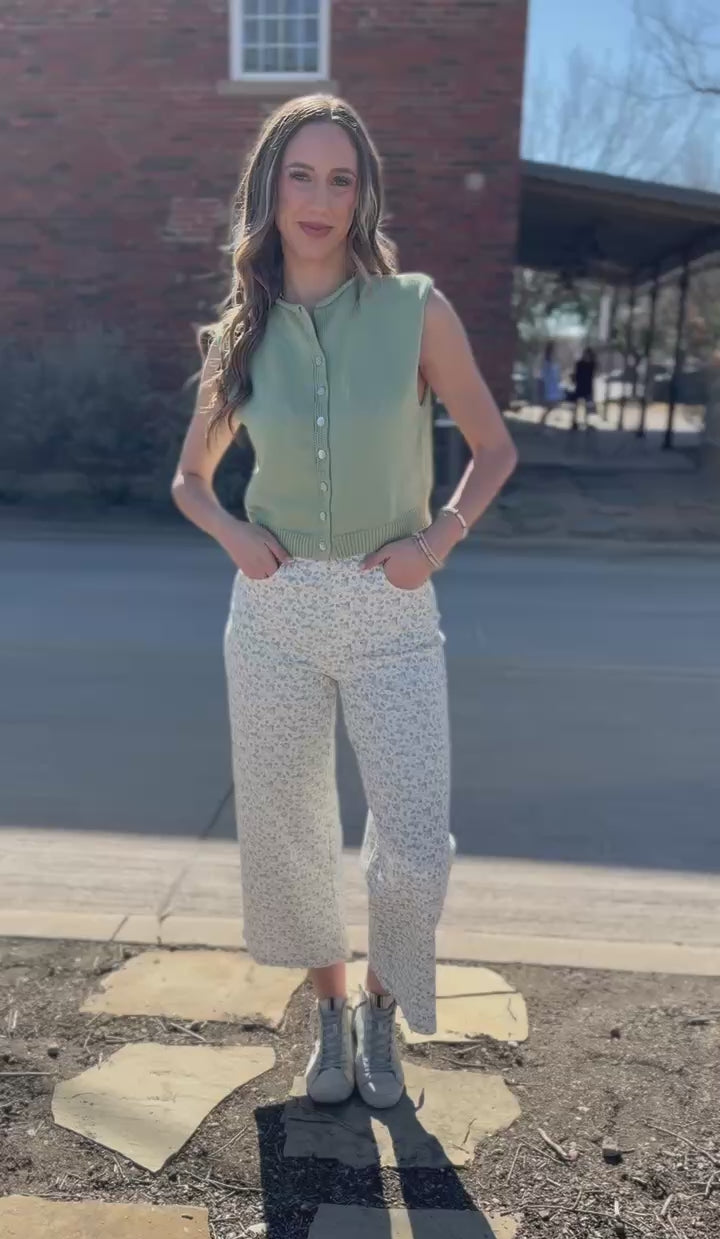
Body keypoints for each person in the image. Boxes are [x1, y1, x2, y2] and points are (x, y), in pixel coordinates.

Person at [170, 95, 517, 1110]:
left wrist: (437, 540)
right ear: (269, 188)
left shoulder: (415, 309)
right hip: (273, 614)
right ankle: (328, 1013)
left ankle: (380, 1005)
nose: (319, 199)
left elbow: (493, 448)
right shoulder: (242, 332)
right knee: (290, 831)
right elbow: (190, 480)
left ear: (363, 194)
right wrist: (235, 535)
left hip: (389, 609)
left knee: (413, 843)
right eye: (300, 176)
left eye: (340, 178)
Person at [571, 345, 597, 429]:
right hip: (580, 386)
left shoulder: (591, 364)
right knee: (577, 405)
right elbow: (576, 374)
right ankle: (574, 421)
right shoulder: (580, 364)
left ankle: (586, 421)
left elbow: (593, 374)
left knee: (587, 406)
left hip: (587, 387)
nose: (587, 356)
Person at [539, 340, 563, 426]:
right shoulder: (547, 361)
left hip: (552, 384)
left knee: (552, 404)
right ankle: (542, 420)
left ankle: (543, 420)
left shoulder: (552, 360)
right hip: (549, 384)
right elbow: (545, 373)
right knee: (550, 404)